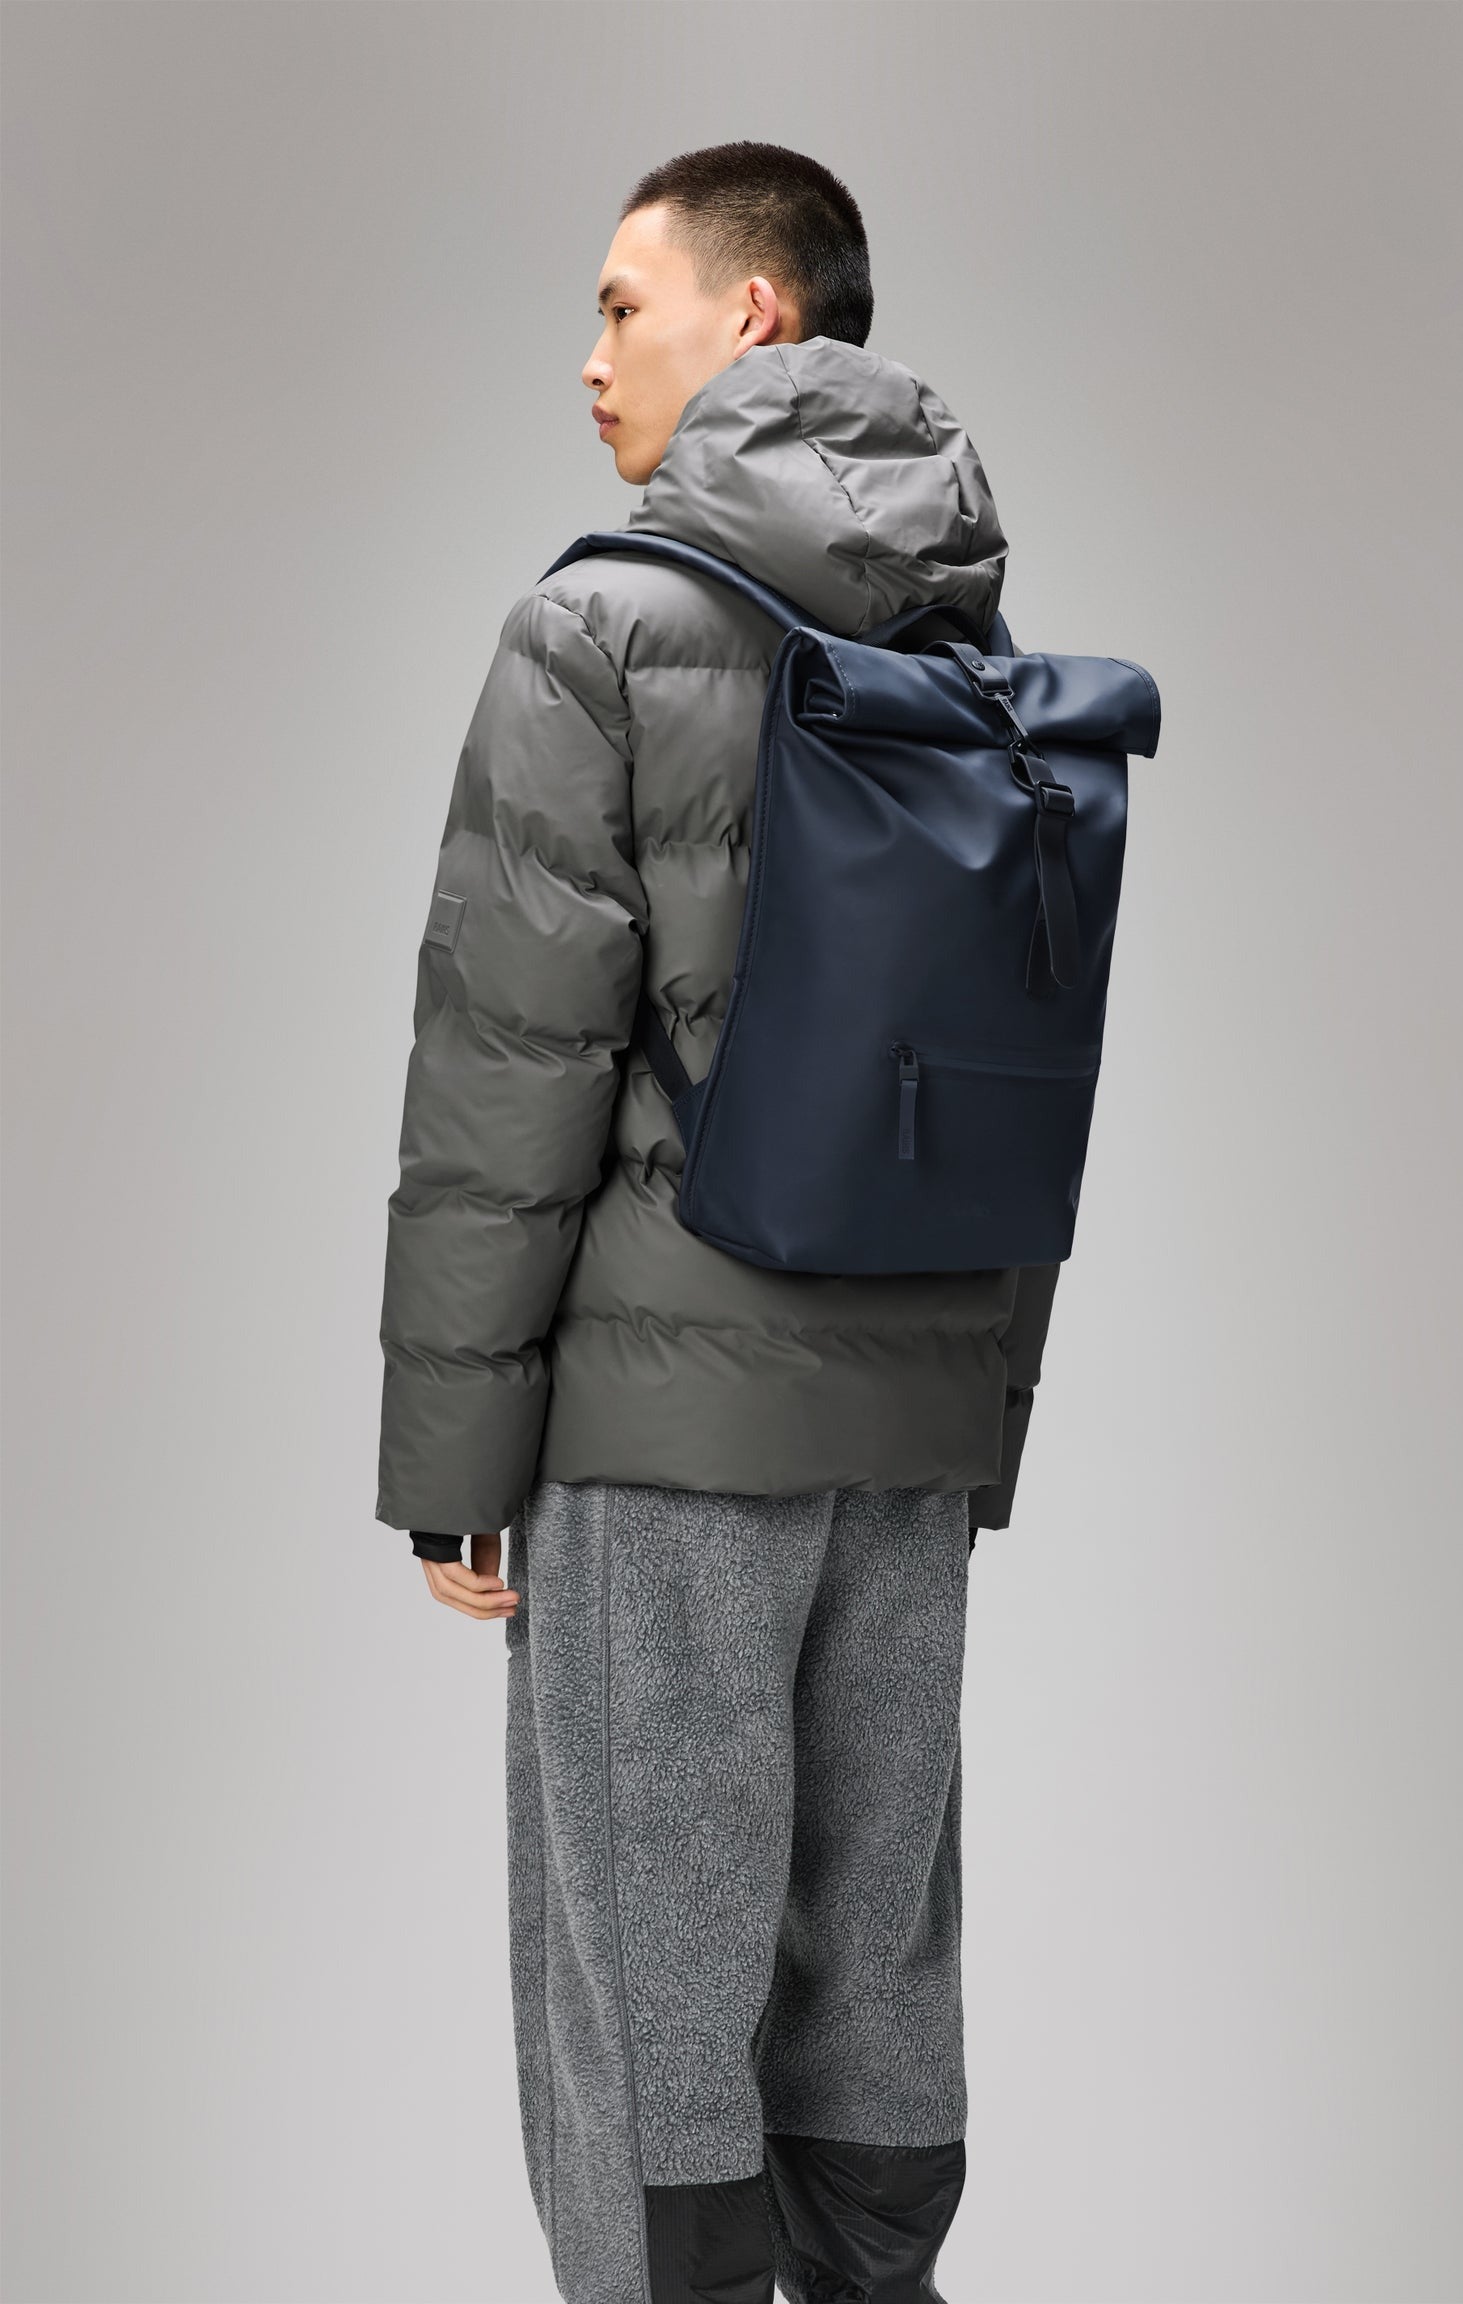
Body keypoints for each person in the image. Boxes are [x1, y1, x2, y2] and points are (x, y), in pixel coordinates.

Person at [376, 140, 1059, 2304]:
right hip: (907, 1432)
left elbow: (510, 1075)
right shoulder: (966, 641)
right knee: (877, 1987)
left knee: (649, 2014)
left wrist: (453, 1468)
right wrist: (982, 1427)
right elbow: (1019, 1073)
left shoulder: (595, 628)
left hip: (666, 1439)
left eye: (620, 307)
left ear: (752, 316)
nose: (591, 361)